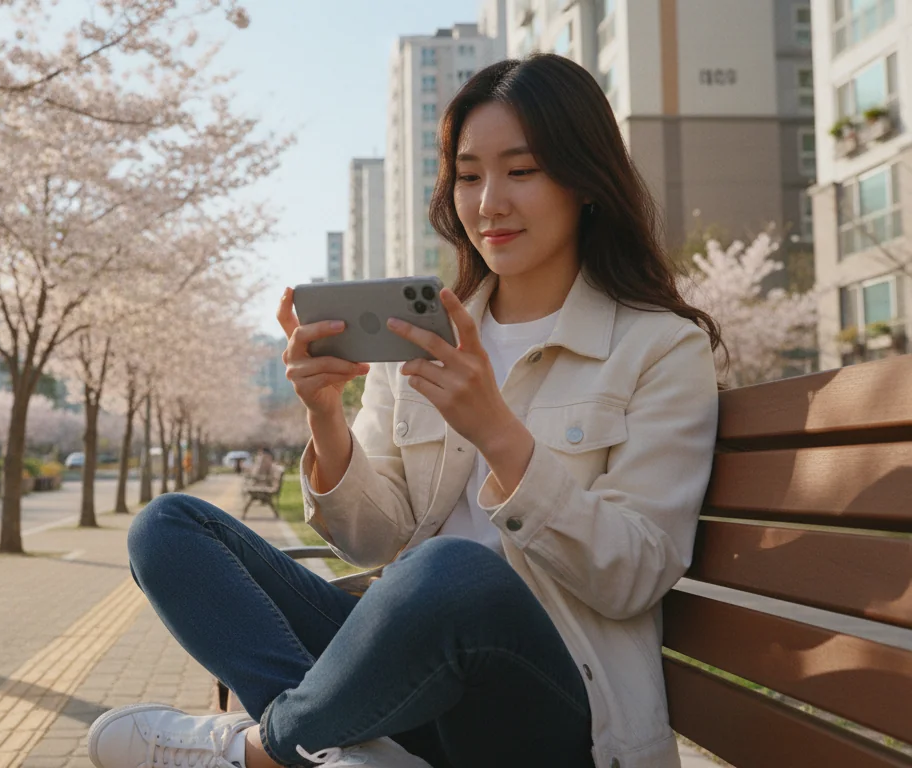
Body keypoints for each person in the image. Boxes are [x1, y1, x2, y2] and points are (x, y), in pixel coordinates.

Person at [88, 54, 722, 768]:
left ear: (585, 180)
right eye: (469, 176)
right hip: (411, 678)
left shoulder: (658, 347)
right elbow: (371, 540)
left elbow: (634, 572)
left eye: (521, 170)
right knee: (168, 529)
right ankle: (345, 752)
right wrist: (326, 419)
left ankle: (268, 751)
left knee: (454, 572)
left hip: (553, 700)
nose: (489, 203)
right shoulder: (420, 336)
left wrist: (500, 436)